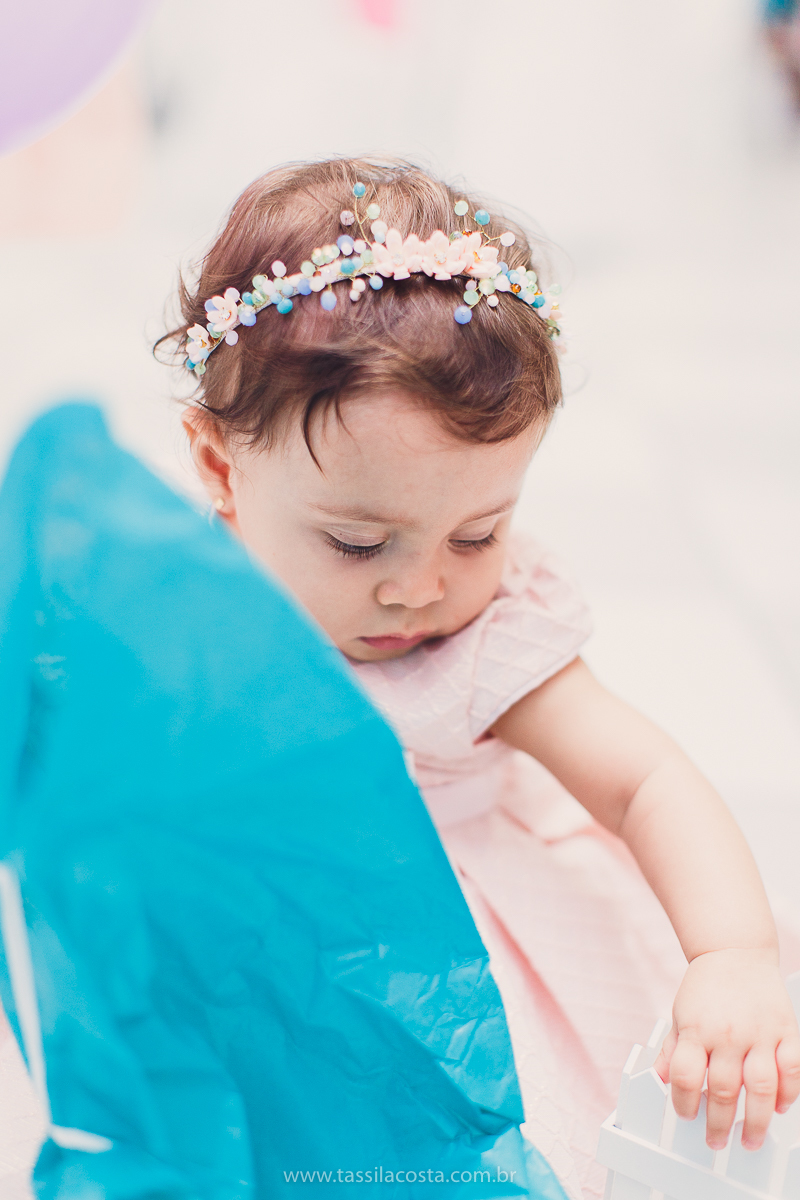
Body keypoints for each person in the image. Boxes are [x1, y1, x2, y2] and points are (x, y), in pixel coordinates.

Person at [159, 157, 800, 1200]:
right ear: (223, 469)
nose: (420, 590)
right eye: (359, 546)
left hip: (450, 957)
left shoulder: (484, 642)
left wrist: (728, 954)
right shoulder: (181, 597)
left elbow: (644, 782)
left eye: (477, 532)